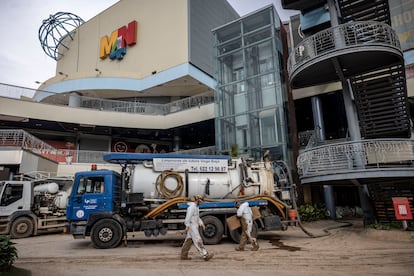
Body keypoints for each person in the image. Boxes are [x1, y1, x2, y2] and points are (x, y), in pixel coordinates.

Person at [181, 194, 214, 261]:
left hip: (193, 226)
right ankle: (205, 255)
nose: (202, 202)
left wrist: (202, 224)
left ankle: (183, 255)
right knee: (198, 240)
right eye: (201, 201)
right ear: (197, 200)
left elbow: (197, 217)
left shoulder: (196, 207)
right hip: (192, 227)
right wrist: (187, 226)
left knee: (188, 241)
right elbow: (188, 218)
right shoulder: (192, 207)